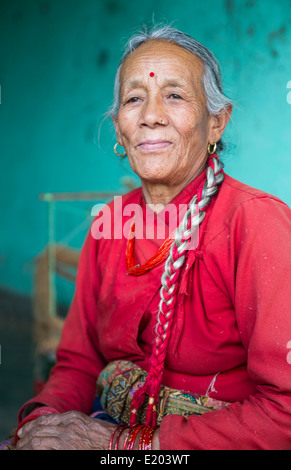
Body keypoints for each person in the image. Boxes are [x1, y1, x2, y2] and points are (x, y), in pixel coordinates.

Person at [9, 24, 291, 450]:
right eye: (134, 98)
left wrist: (127, 446)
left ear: (216, 123)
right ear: (120, 130)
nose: (151, 114)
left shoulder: (257, 224)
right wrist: (43, 424)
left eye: (174, 95)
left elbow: (284, 411)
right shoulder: (111, 223)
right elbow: (78, 363)